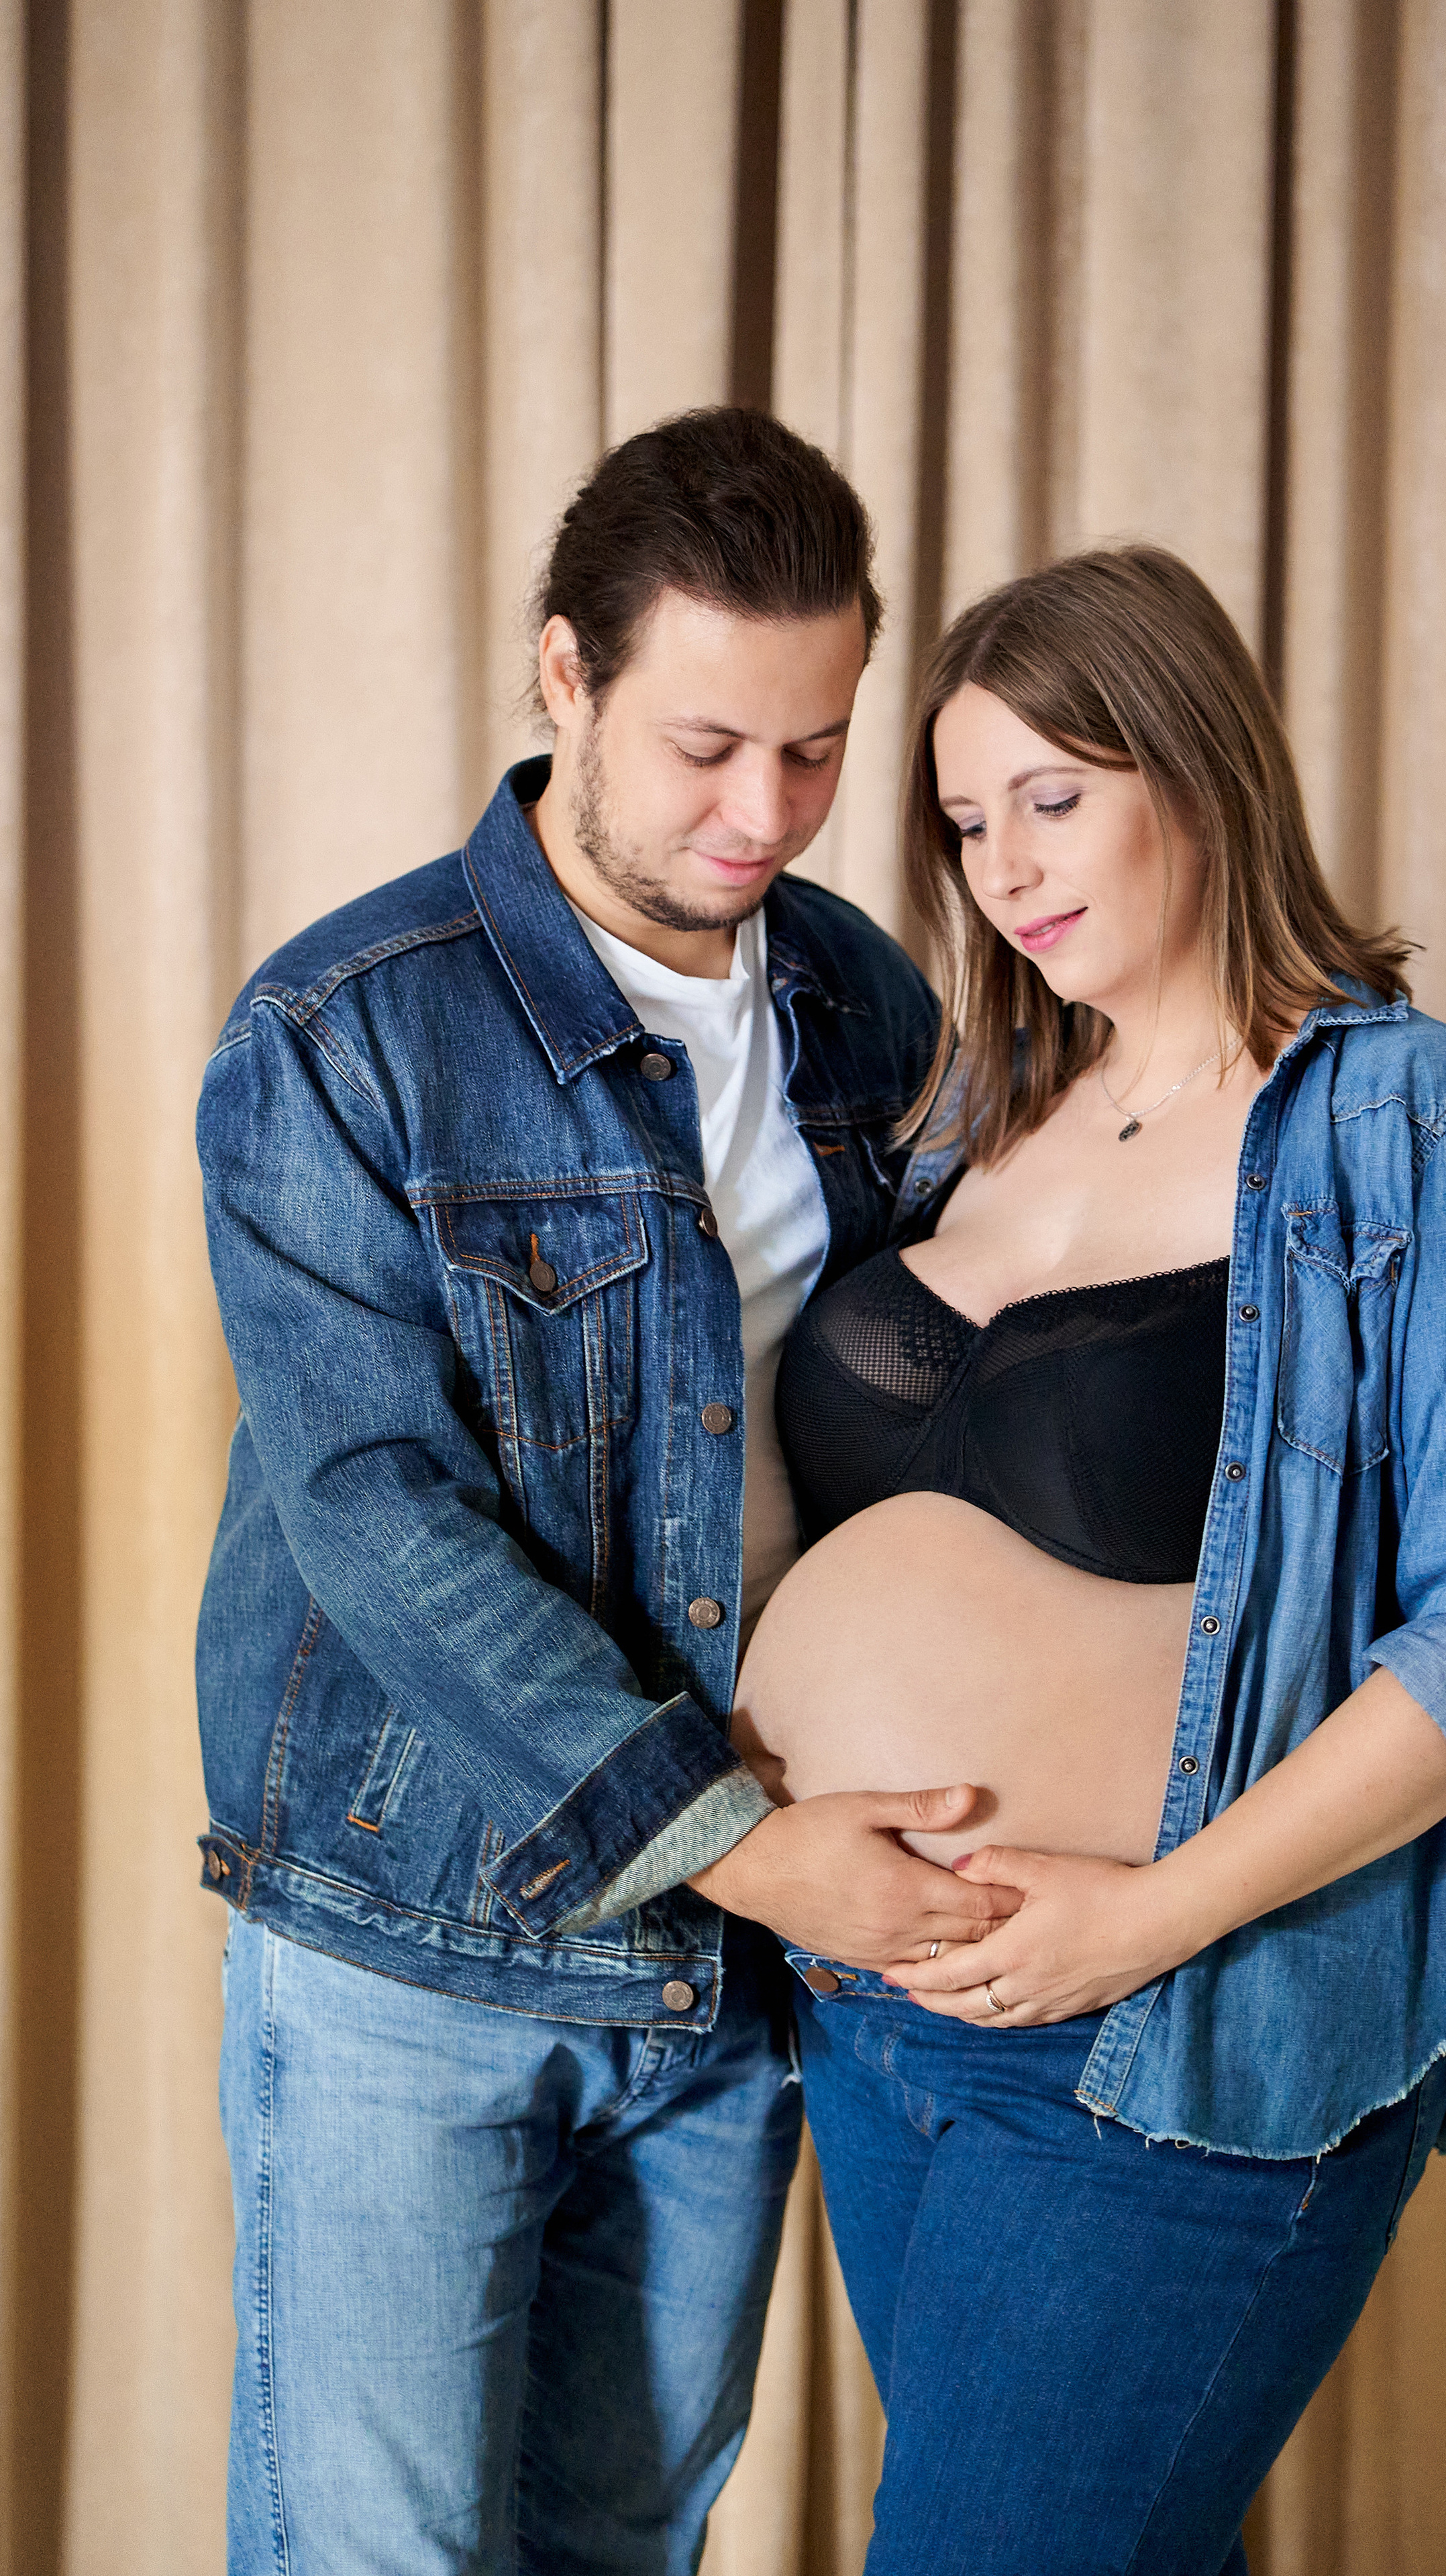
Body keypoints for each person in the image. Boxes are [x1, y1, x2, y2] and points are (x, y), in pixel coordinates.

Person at [727, 545, 1446, 2575]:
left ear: (1196, 769)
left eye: (1058, 795)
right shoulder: (966, 1128)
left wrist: (1142, 1924)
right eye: (966, 822)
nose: (1008, 868)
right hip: (874, 2022)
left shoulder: (1427, 1129)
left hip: (1174, 2037)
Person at [196, 406, 1017, 2575]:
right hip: (417, 1951)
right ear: (563, 676)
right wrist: (747, 1851)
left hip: (729, 1984)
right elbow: (378, 1515)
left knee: (623, 2548)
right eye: (705, 747)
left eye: (819, 750)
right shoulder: (337, 1034)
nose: (766, 815)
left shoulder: (858, 1001)